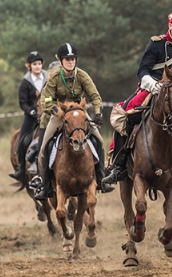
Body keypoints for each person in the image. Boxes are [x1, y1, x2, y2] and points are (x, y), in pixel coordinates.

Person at [102, 7, 172, 188]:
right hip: (152, 89)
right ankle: (118, 165)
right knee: (127, 114)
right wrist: (153, 85)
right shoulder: (156, 44)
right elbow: (143, 70)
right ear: (170, 26)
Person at [31, 42, 114, 200]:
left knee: (99, 140)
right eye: (67, 59)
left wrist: (98, 113)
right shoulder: (54, 77)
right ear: (61, 60)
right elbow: (46, 99)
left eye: (73, 59)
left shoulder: (82, 75)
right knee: (44, 147)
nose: (70, 62)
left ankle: (101, 179)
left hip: (79, 114)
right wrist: (58, 112)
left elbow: (95, 96)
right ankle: (45, 184)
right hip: (59, 115)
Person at [9, 51, 48, 182]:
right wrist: (31, 111)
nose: (37, 66)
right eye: (35, 64)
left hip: (48, 114)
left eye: (39, 64)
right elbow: (23, 103)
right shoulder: (25, 82)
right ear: (29, 66)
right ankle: (21, 168)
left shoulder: (49, 78)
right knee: (23, 140)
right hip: (31, 116)